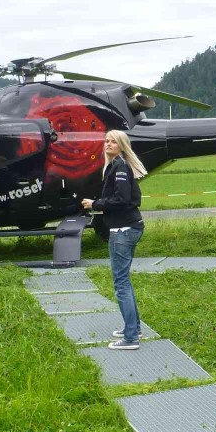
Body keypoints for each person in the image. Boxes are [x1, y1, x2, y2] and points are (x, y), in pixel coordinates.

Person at [81, 130, 146, 350]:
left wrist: (96, 204)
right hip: (127, 227)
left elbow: (122, 199)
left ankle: (130, 338)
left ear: (121, 145)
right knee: (124, 280)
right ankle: (134, 328)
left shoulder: (119, 167)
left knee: (121, 283)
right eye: (106, 141)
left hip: (123, 230)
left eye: (113, 142)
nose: (108, 144)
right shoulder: (117, 165)